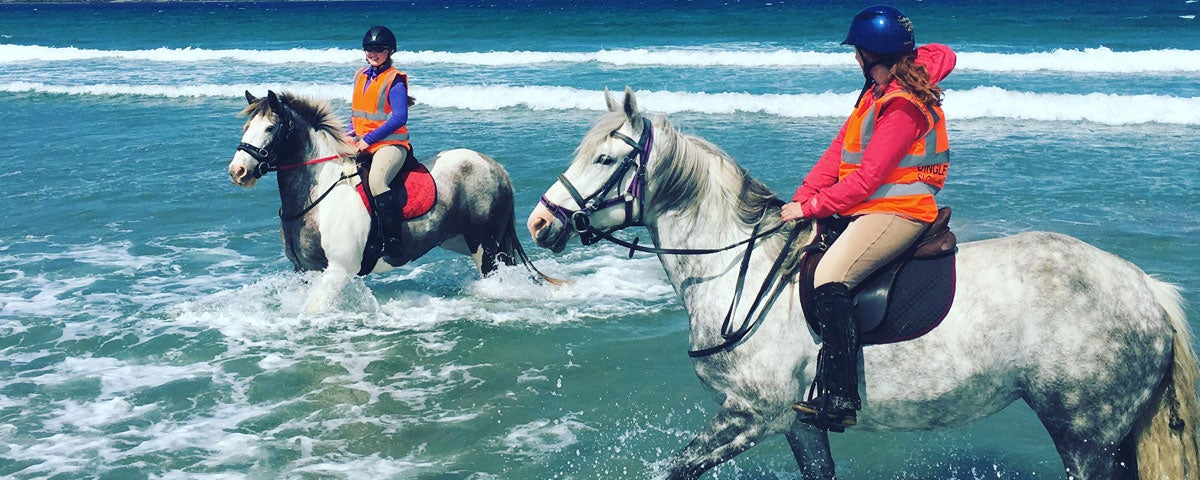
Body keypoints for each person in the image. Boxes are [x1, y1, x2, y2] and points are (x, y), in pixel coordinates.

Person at [780, 5, 956, 431]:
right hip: (873, 206)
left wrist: (811, 208)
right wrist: (803, 196)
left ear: (874, 55)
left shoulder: (902, 105)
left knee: (829, 276)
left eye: (860, 52)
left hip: (900, 210)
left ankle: (840, 396)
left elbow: (868, 178)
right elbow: (838, 154)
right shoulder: (876, 92)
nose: (855, 59)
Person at [349, 25, 417, 257]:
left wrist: (368, 139)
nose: (373, 53)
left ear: (390, 51)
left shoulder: (395, 80)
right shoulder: (360, 74)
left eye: (379, 49)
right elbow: (358, 113)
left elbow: (400, 117)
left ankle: (393, 242)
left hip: (391, 144)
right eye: (369, 48)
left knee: (377, 182)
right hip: (362, 141)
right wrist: (349, 136)